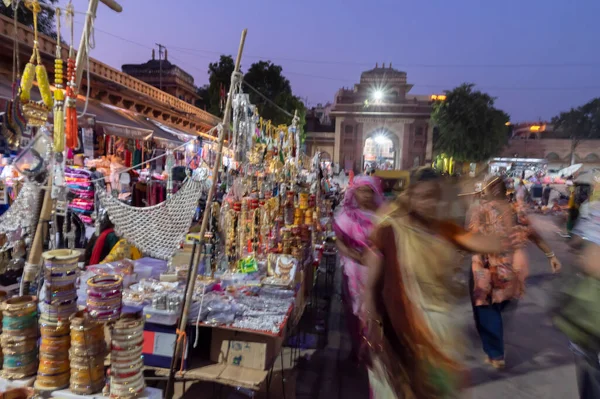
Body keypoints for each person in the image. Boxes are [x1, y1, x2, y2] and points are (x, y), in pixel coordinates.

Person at [362, 168, 511, 398]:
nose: (429, 202)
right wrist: (371, 320)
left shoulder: (445, 230)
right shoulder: (390, 228)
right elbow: (371, 285)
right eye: (423, 196)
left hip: (440, 334)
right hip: (399, 332)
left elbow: (487, 244)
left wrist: (505, 224)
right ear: (410, 196)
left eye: (434, 196)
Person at [468, 176, 561, 369]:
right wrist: (550, 255)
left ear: (489, 190)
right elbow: (534, 234)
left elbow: (471, 237)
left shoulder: (480, 210)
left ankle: (496, 354)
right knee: (500, 306)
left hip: (485, 269)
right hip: (510, 270)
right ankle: (494, 347)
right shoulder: (517, 210)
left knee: (486, 311)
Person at [333, 175, 383, 363]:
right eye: (362, 191)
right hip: (352, 272)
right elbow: (340, 241)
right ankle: (357, 350)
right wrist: (356, 256)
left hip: (375, 273)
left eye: (370, 191)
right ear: (355, 193)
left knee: (374, 312)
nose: (366, 196)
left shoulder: (382, 217)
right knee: (353, 314)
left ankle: (372, 350)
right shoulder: (347, 215)